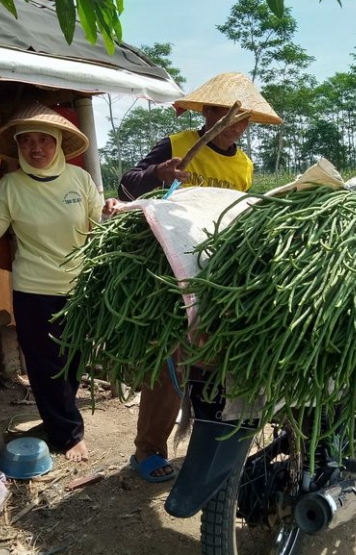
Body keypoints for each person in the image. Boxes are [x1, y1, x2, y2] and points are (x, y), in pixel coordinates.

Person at [118, 72, 283, 482]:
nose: (232, 124)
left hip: (217, 273)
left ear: (247, 123)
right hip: (171, 271)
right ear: (206, 114)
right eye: (220, 113)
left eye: (240, 118)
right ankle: (148, 450)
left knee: (214, 365)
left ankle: (203, 447)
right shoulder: (177, 145)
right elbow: (126, 186)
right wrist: (159, 173)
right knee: (168, 363)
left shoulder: (244, 164)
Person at [0, 103, 104, 462]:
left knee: (74, 360)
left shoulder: (80, 180)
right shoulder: (12, 185)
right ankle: (68, 434)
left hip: (79, 289)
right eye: (26, 142)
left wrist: (113, 208)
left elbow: (100, 228)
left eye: (43, 140)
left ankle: (61, 419)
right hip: (34, 289)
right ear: (18, 147)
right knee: (45, 365)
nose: (35, 148)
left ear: (58, 143)